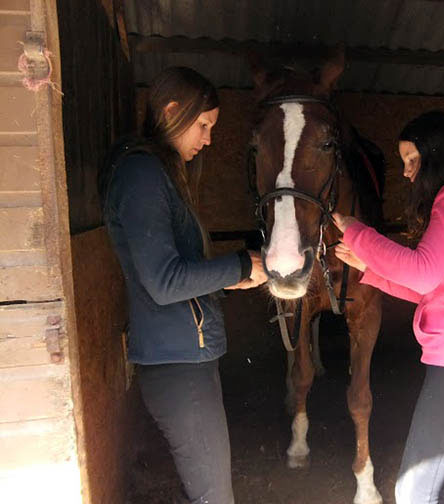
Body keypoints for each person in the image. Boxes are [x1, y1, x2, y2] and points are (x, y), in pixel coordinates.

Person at [99, 67, 267, 504]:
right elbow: (164, 281)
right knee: (213, 495)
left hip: (184, 355)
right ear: (172, 111)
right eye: (204, 125)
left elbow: (177, 271)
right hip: (176, 364)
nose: (208, 139)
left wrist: (233, 280)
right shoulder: (142, 176)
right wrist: (237, 267)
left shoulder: (158, 173)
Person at [333, 110, 444, 504]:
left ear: (436, 153)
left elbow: (423, 274)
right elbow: (430, 289)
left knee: (413, 491)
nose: (408, 173)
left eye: (413, 160)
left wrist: (357, 232)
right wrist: (371, 270)